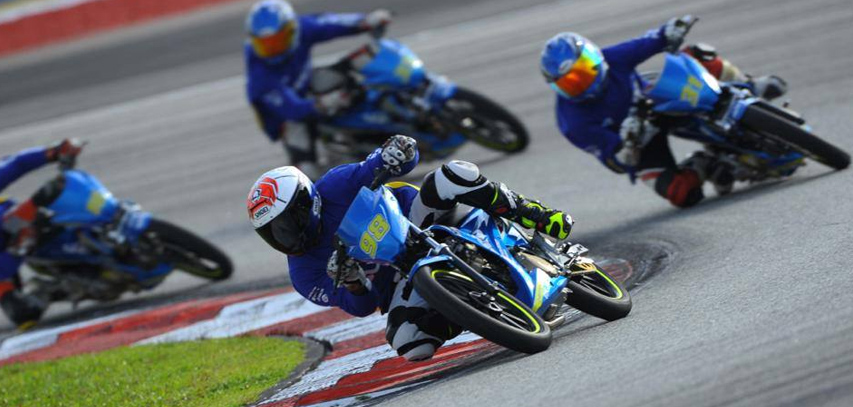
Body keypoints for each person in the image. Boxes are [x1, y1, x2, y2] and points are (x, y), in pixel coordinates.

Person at [247, 135, 573, 361]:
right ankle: (473, 307)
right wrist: (353, 283)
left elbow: (387, 162)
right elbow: (360, 307)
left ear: (307, 201)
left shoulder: (336, 184)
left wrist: (399, 151)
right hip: (400, 278)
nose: (284, 238)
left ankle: (533, 213)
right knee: (411, 344)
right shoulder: (303, 274)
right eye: (272, 233)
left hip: (418, 222)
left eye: (286, 224)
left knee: (450, 175)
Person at [539, 16, 790, 207]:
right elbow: (615, 162)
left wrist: (670, 30)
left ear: (594, 57)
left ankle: (747, 85)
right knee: (682, 194)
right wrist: (628, 144)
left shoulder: (612, 58)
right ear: (556, 88)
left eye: (583, 72)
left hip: (655, 100)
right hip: (640, 141)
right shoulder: (572, 122)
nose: (582, 84)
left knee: (695, 55)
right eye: (570, 83)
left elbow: (650, 42)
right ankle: (704, 165)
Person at [244, 0, 392, 179]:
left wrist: (365, 21)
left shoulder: (302, 29)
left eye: (278, 41)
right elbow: (293, 110)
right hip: (285, 117)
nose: (273, 50)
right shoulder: (260, 77)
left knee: (347, 69)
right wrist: (324, 103)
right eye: (265, 45)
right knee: (305, 168)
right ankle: (322, 172)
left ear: (292, 30)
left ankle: (379, 117)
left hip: (307, 87)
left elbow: (332, 23)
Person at [0, 139, 84, 327]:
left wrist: (53, 152)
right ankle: (55, 288)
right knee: (23, 315)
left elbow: (17, 164)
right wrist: (17, 250)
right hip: (8, 253)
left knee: (51, 196)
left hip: (14, 220)